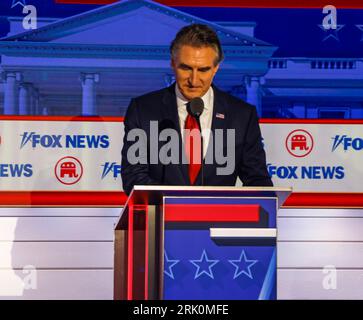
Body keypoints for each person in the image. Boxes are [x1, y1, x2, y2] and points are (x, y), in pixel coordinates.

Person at [121, 24, 272, 195]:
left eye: (203, 70)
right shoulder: (143, 110)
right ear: (172, 63)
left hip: (219, 219)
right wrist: (179, 206)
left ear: (216, 68)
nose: (194, 80)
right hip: (161, 218)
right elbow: (133, 177)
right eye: (186, 68)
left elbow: (258, 179)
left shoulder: (242, 115)